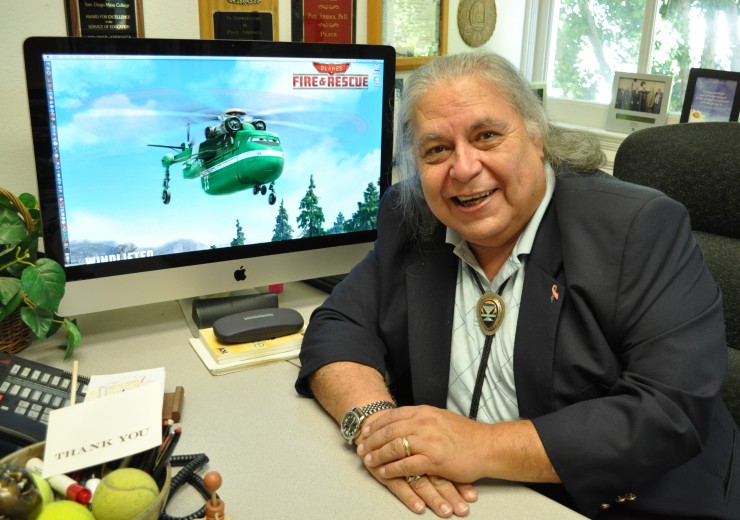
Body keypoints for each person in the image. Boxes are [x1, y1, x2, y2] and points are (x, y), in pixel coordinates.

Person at [295, 51, 740, 519]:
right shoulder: (412, 218)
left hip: (616, 502)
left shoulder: (638, 227)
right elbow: (338, 324)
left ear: (536, 133)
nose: (463, 168)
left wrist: (480, 446)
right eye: (436, 149)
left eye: (486, 136)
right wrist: (379, 429)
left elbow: (669, 412)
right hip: (466, 502)